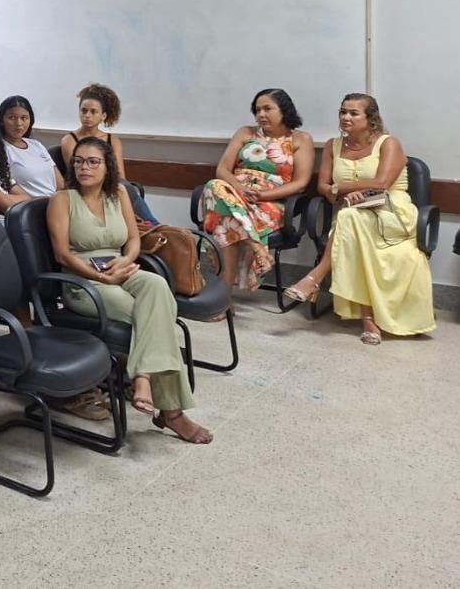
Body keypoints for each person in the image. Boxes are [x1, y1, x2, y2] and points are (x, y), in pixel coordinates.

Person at [48, 136, 212, 444]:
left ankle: (143, 376)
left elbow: (134, 239)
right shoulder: (62, 199)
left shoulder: (119, 193)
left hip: (120, 266)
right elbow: (62, 255)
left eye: (93, 161)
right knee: (154, 317)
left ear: (107, 166)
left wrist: (125, 260)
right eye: (79, 161)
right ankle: (171, 412)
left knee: (157, 286)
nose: (85, 167)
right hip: (83, 281)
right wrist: (104, 278)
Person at [283, 94, 434, 344]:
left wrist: (340, 188)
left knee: (348, 217)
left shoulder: (389, 143)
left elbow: (382, 183)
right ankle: (368, 319)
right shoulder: (333, 145)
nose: (345, 117)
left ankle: (315, 278)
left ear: (370, 118)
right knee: (351, 220)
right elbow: (322, 186)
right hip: (353, 214)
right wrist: (342, 191)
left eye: (354, 113)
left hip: (392, 211)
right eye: (343, 112)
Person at [200, 88, 314, 289]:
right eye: (257, 110)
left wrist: (262, 195)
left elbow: (300, 183)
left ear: (284, 110)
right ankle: (258, 248)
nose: (261, 114)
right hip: (234, 194)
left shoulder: (300, 139)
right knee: (214, 185)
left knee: (226, 221)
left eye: (267, 109)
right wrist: (239, 189)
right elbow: (222, 169)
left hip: (270, 204)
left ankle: (224, 297)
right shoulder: (245, 133)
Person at [59, 83, 159, 223]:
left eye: (93, 112)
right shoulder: (69, 140)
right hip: (86, 187)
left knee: (125, 188)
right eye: (84, 111)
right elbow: (77, 173)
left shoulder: (113, 140)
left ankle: (152, 227)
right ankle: (154, 226)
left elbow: (120, 175)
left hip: (113, 187)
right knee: (126, 190)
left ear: (103, 116)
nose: (87, 115)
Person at [0, 94, 62, 197]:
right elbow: (7, 186)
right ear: (1, 120)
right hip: (31, 207)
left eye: (24, 118)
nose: (19, 123)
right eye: (12, 117)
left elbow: (60, 183)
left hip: (56, 203)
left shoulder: (36, 145)